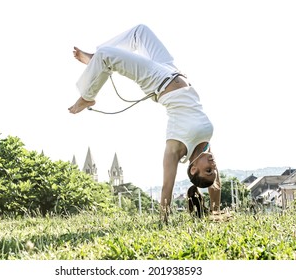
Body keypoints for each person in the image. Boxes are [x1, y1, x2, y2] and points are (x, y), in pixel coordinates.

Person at [68, 24, 221, 222]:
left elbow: (167, 186)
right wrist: (215, 213)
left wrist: (163, 220)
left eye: (208, 169)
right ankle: (94, 61)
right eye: (214, 170)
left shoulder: (176, 146)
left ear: (193, 169)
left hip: (157, 81)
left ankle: (87, 95)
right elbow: (215, 184)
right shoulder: (204, 146)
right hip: (172, 70)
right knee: (140, 32)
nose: (213, 165)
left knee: (106, 54)